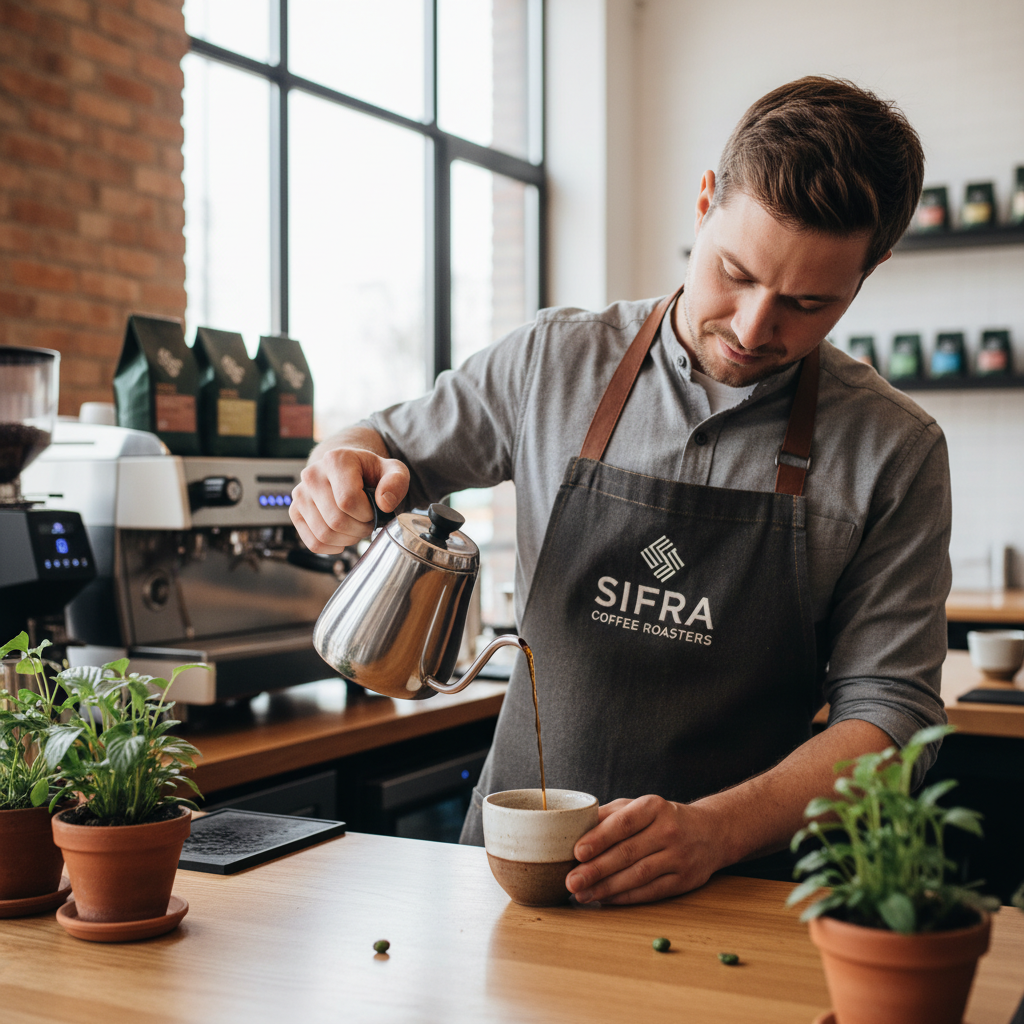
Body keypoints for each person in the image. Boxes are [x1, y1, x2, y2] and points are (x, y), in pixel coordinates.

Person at [290, 76, 950, 905]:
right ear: (705, 200)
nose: (753, 329)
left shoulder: (895, 449)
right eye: (735, 273)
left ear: (872, 269)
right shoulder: (552, 362)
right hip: (511, 880)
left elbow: (894, 717)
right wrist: (340, 464)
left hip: (735, 897)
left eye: (807, 303)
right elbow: (383, 445)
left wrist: (717, 830)